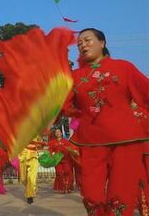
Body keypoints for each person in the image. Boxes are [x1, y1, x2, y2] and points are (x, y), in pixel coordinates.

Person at [63, 28, 149, 215]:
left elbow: (146, 93)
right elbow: (64, 107)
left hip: (125, 140)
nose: (83, 45)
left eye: (87, 40)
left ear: (102, 43)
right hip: (90, 143)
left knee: (121, 195)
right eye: (79, 44)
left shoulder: (124, 67)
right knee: (91, 195)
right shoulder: (75, 77)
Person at [48, 128, 77, 193]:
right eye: (56, 132)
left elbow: (71, 149)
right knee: (59, 173)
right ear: (55, 134)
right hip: (57, 161)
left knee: (68, 172)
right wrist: (51, 154)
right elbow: (50, 150)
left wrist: (73, 151)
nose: (58, 133)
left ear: (61, 133)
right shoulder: (53, 142)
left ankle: (69, 187)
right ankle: (62, 188)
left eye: (59, 132)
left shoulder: (66, 141)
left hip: (66, 160)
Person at [18, 137, 44, 204]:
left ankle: (30, 196)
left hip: (33, 156)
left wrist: (39, 145)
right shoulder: (22, 133)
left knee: (31, 178)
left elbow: (41, 146)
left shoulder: (37, 135)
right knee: (23, 179)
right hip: (23, 156)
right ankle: (33, 187)